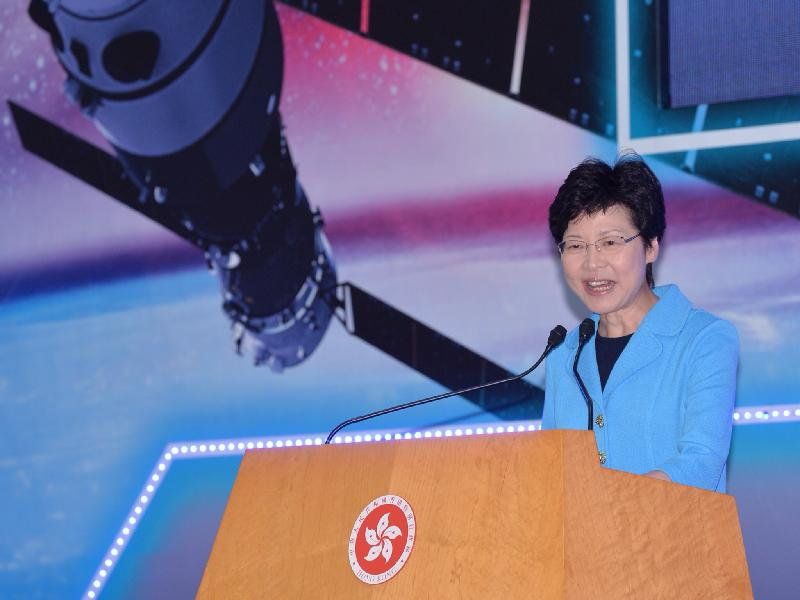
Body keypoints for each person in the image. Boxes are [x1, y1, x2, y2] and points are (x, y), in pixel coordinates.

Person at [541, 154, 739, 492]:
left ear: (651, 246)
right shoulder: (565, 355)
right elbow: (549, 472)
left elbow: (701, 463)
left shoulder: (704, 340)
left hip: (674, 542)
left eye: (610, 242)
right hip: (582, 546)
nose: (592, 263)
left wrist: (609, 506)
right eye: (575, 245)